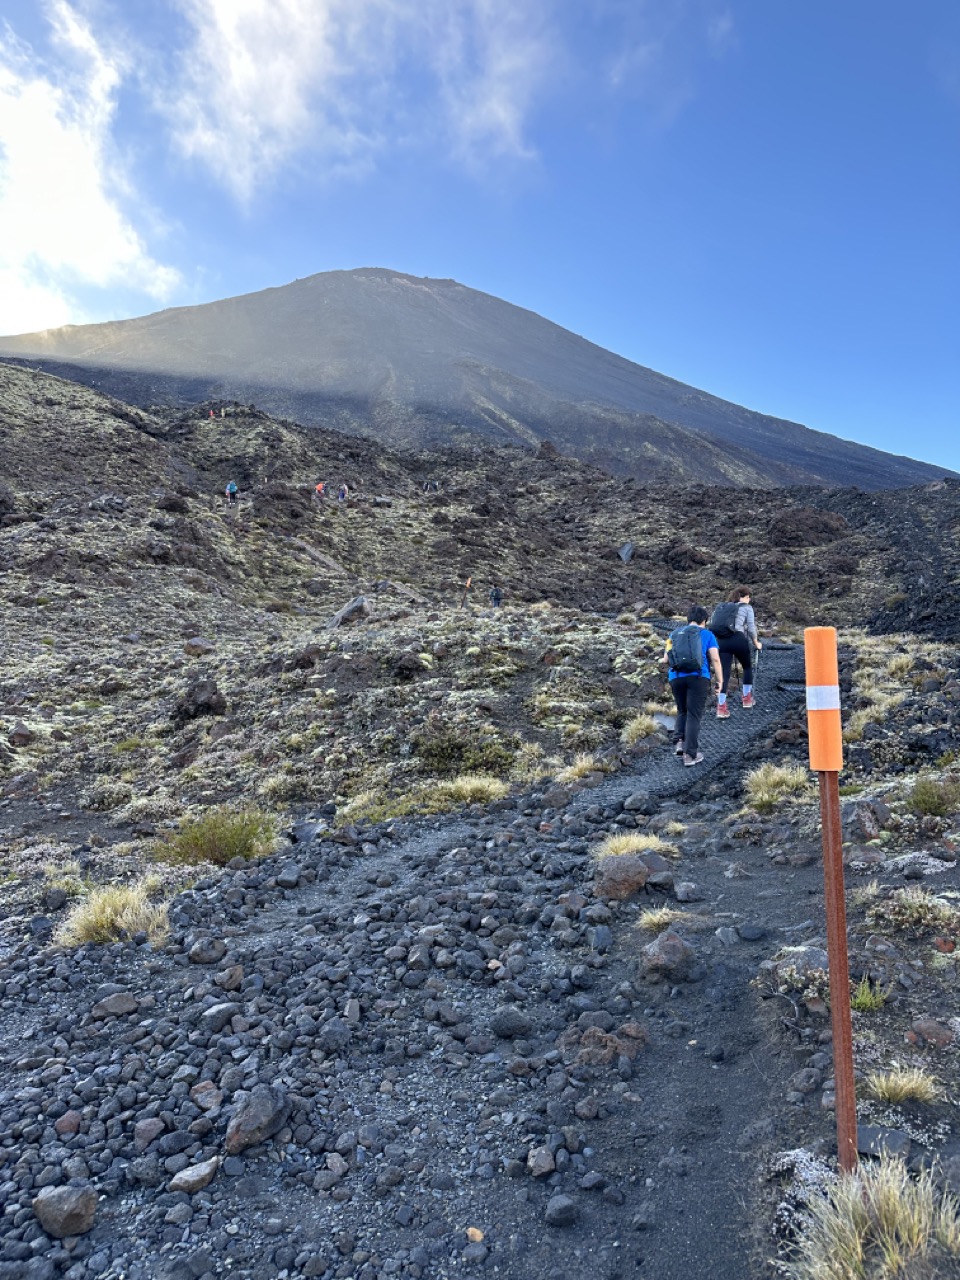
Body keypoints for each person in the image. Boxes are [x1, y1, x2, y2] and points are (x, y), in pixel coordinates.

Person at [664, 606, 722, 766]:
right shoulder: (707, 634)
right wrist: (720, 681)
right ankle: (690, 755)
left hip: (676, 677)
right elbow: (715, 659)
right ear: (704, 621)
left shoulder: (673, 634)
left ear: (688, 619)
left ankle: (679, 743)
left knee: (682, 710)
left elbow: (666, 659)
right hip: (698, 677)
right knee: (694, 715)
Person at [711, 587, 763, 717]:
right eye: (748, 597)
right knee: (746, 667)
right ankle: (746, 699)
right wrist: (756, 642)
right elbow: (751, 627)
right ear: (744, 597)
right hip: (738, 639)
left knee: (724, 674)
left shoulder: (723, 608)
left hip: (722, 641)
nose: (749, 599)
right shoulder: (746, 607)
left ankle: (721, 707)